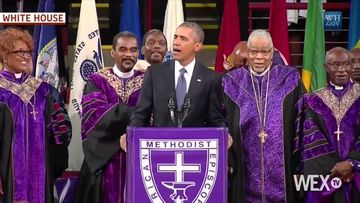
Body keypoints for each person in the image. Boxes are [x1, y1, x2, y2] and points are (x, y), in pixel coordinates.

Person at [222, 29, 305, 203]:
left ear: (272, 52)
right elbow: (221, 119)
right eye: (253, 51)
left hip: (282, 165)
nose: (259, 57)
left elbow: (303, 119)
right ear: (248, 52)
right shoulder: (231, 82)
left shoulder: (289, 79)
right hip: (244, 164)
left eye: (265, 52)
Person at [0, 27, 71, 202]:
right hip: (6, 173)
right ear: (4, 55)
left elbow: (61, 133)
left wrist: (52, 163)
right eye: (19, 52)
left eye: (28, 52)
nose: (25, 56)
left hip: (41, 173)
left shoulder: (44, 91)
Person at [74, 31, 144, 203]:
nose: (129, 54)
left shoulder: (147, 81)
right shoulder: (97, 81)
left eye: (133, 50)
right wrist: (136, 114)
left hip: (138, 158)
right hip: (104, 160)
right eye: (123, 49)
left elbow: (156, 116)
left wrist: (121, 115)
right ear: (113, 52)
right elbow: (96, 117)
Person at [129, 22, 226, 128]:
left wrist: (224, 134)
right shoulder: (154, 73)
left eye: (183, 39)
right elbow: (140, 115)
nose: (176, 42)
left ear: (197, 46)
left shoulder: (211, 78)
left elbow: (215, 118)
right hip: (161, 141)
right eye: (175, 37)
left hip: (194, 142)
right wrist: (131, 133)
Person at [296, 47, 360, 202]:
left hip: (356, 174)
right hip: (326, 175)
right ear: (326, 67)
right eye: (335, 65)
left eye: (346, 64)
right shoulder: (313, 101)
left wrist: (352, 163)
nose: (341, 70)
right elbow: (311, 139)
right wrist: (336, 168)